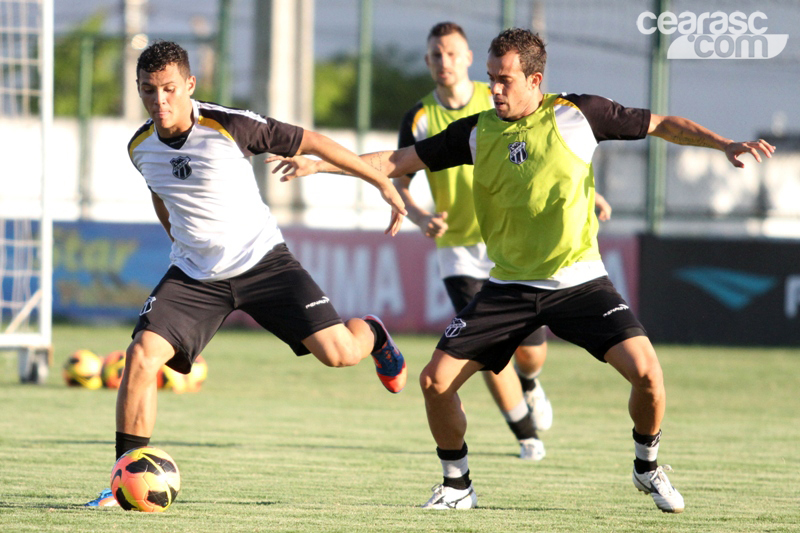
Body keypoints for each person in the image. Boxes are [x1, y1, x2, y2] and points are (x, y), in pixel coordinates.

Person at [268, 28, 774, 513]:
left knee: (648, 376)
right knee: (433, 383)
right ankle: (457, 484)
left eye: (504, 79)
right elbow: (399, 160)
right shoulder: (476, 130)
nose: (493, 89)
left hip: (580, 282)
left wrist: (724, 144)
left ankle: (647, 464)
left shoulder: (581, 114)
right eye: (490, 77)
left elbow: (661, 123)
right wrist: (324, 164)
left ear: (535, 80)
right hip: (508, 286)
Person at [85, 40, 409, 508]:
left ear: (190, 85)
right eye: (149, 91)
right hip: (196, 276)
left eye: (170, 89)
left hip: (264, 263)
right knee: (140, 357)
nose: (160, 101)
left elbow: (313, 141)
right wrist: (180, 240)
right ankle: (122, 482)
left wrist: (379, 180)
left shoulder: (230, 125)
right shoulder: (140, 148)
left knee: (339, 354)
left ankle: (373, 335)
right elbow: (162, 192)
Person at [397, 22, 614, 461]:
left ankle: (530, 383)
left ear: (469, 58)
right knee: (482, 349)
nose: (445, 63)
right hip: (458, 247)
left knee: (531, 355)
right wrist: (420, 216)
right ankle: (525, 435)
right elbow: (400, 174)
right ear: (427, 62)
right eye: (436, 56)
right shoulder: (419, 117)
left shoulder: (497, 96)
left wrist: (592, 193)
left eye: (453, 54)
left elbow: (550, 154)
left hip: (516, 248)